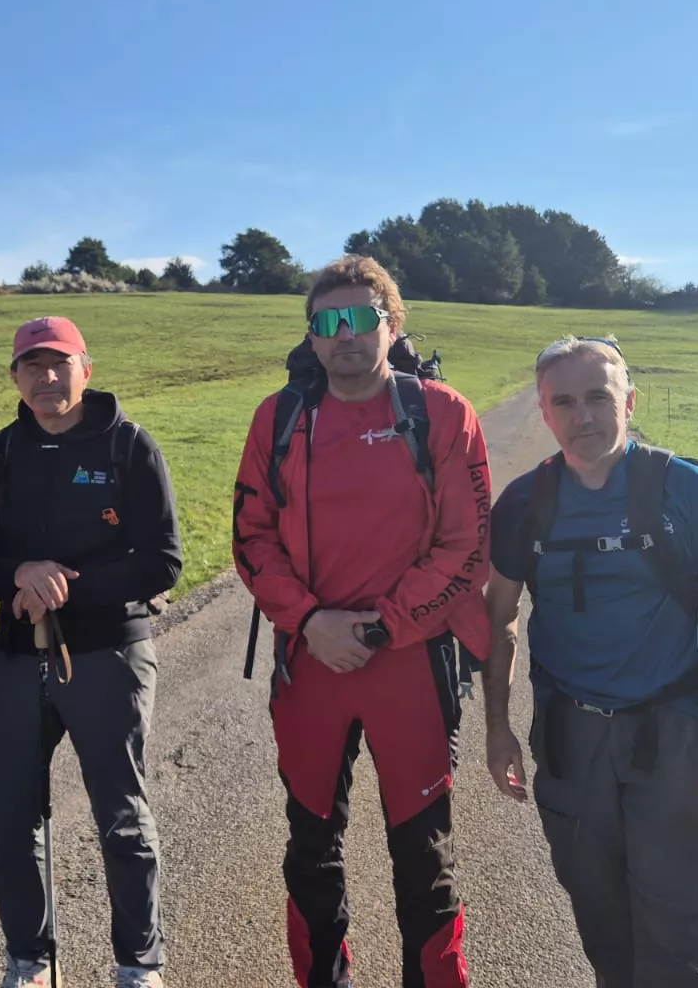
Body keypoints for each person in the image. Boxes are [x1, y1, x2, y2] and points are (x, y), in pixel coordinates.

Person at [233, 256, 493, 988]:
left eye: (359, 318)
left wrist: (379, 627)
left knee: (424, 854)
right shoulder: (278, 417)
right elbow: (251, 536)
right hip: (311, 662)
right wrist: (311, 621)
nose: (343, 334)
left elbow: (467, 544)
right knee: (310, 847)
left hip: (410, 662)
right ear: (312, 338)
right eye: (326, 322)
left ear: (392, 323)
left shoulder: (441, 412)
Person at [482, 335, 698, 988]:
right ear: (545, 413)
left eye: (598, 398)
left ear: (629, 402)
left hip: (673, 736)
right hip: (569, 739)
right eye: (565, 402)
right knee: (600, 917)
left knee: (681, 931)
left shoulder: (686, 490)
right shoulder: (524, 504)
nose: (583, 417)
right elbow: (497, 616)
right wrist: (497, 729)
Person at [0, 316, 181, 988]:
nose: (46, 377)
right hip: (17, 654)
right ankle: (29, 957)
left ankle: (138, 961)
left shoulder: (129, 446)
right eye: (32, 366)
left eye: (59, 364)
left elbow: (163, 563)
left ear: (87, 368)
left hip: (109, 650)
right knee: (3, 814)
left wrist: (62, 589)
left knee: (121, 817)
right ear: (15, 377)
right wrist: (21, 575)